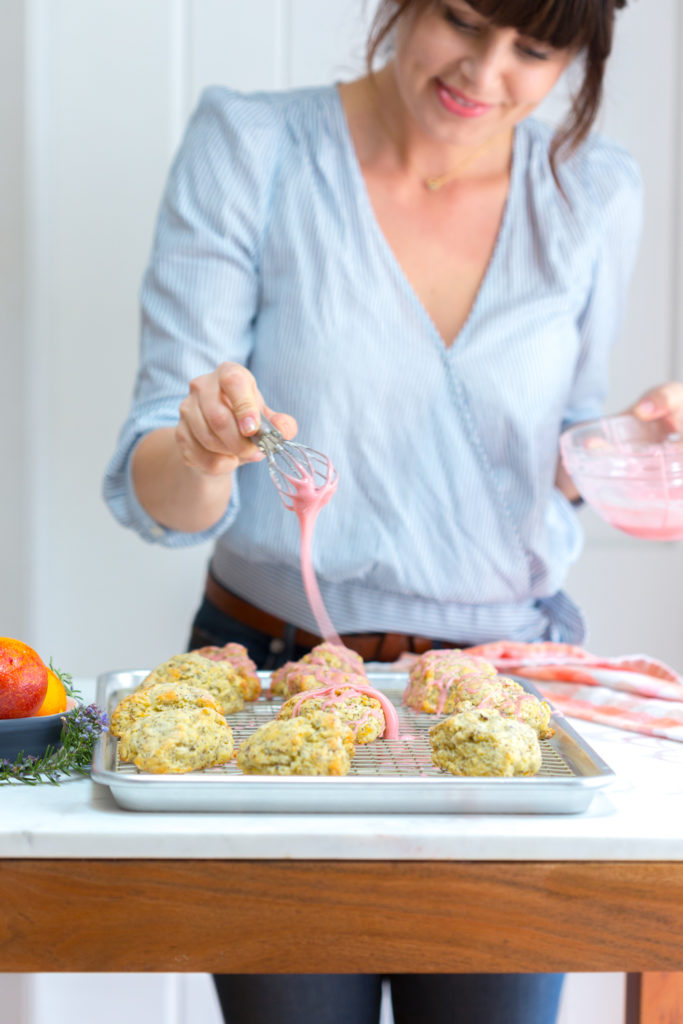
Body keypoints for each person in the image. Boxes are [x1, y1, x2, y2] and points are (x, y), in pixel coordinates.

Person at [104, 0, 683, 1021]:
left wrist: (630, 448)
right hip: (270, 679)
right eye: (462, 19)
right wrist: (201, 446)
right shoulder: (252, 147)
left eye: (533, 49)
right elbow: (163, 489)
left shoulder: (591, 191)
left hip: (502, 704)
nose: (484, 72)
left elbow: (544, 454)